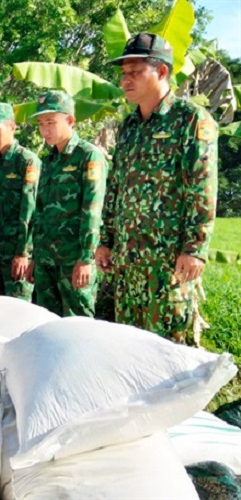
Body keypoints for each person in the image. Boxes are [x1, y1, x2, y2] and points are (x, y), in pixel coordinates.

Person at [97, 33, 218, 344]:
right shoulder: (128, 128)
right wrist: (106, 240)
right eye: (123, 74)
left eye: (134, 72)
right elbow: (115, 188)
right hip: (128, 262)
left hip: (167, 263)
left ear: (162, 71)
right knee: (131, 347)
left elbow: (202, 189)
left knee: (170, 350)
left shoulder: (190, 120)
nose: (125, 81)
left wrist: (194, 249)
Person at [28, 90, 107, 317]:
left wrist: (85, 258)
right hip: (46, 262)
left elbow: (92, 210)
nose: (45, 130)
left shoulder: (88, 156)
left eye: (51, 122)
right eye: (41, 124)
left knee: (78, 326)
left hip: (73, 260)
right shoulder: (48, 161)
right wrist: (35, 257)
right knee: (45, 323)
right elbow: (40, 212)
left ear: (70, 120)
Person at [0, 102, 41, 301]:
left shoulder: (27, 161)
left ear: (12, 127)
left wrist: (23, 253)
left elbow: (30, 210)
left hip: (15, 255)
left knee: (19, 311)